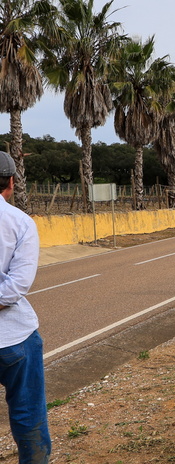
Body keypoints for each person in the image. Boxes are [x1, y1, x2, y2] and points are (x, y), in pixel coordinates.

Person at [0, 151, 51, 463]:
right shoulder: (20, 222)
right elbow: (19, 284)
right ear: (11, 182)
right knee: (28, 413)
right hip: (15, 338)